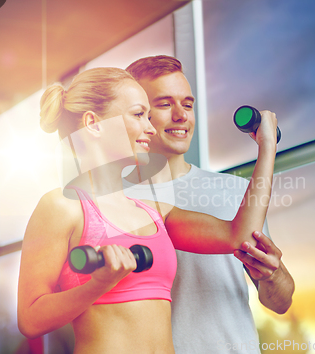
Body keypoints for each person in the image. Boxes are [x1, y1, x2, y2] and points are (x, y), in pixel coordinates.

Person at [17, 66, 280, 353]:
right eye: (138, 114)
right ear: (93, 123)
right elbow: (30, 319)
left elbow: (238, 236)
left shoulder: (154, 210)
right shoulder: (62, 206)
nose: (151, 128)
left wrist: (266, 149)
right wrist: (97, 285)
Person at [124, 55, 295, 353]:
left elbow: (279, 302)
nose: (181, 115)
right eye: (164, 104)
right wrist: (268, 147)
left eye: (188, 105)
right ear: (136, 113)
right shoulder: (116, 202)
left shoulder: (236, 192)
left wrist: (273, 274)